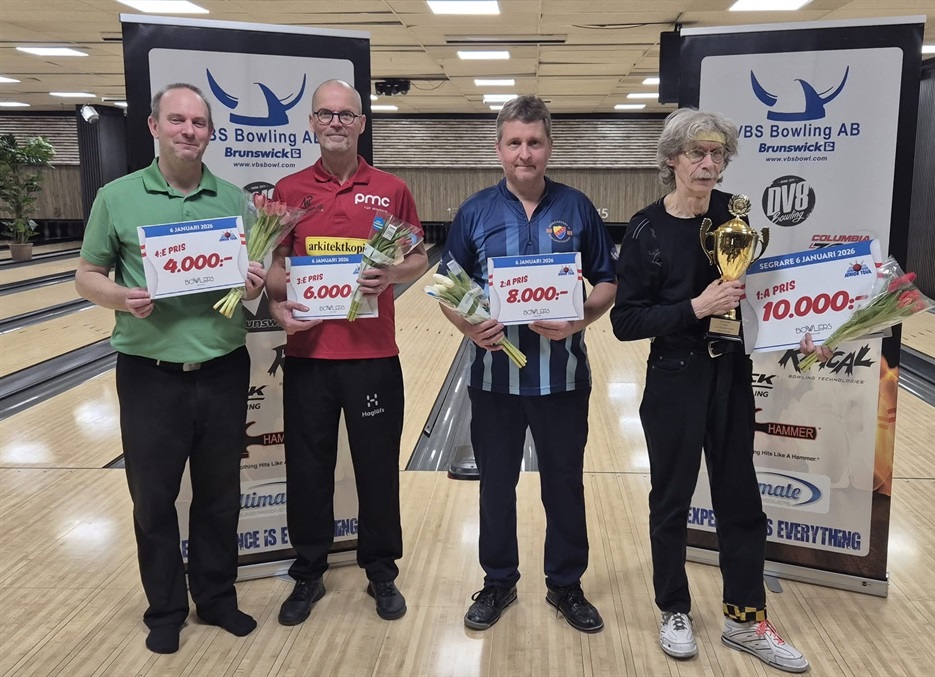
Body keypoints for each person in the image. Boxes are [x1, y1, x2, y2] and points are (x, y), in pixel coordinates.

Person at [610, 107, 810, 673]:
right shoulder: (647, 229)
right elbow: (626, 321)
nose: (708, 162)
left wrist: (804, 329)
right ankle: (674, 609)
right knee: (671, 501)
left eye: (717, 153)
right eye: (697, 152)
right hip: (675, 376)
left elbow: (760, 294)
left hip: (731, 374)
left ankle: (746, 620)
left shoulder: (735, 215)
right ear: (671, 158)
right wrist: (696, 307)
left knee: (741, 500)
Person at [75, 83, 264, 654]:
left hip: (223, 368)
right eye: (177, 120)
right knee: (153, 500)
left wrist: (252, 282)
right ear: (154, 127)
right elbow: (87, 275)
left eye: (199, 123)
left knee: (220, 495)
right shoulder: (117, 197)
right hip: (149, 375)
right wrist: (120, 296)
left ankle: (217, 598)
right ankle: (164, 608)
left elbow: (249, 284)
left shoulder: (234, 200)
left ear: (211, 133)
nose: (189, 131)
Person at [439, 95, 618, 633]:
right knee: (495, 486)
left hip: (563, 378)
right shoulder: (475, 211)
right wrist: (469, 326)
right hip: (493, 381)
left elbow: (607, 280)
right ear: (498, 149)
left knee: (563, 485)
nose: (524, 153)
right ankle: (499, 581)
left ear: (549, 147)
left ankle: (566, 584)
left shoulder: (577, 207)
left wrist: (579, 319)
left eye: (534, 142)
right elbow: (448, 286)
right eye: (514, 142)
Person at [264, 80, 427, 626]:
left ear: (361, 123)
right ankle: (308, 571)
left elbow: (418, 256)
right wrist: (279, 301)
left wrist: (392, 273)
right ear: (312, 122)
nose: (336, 122)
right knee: (307, 468)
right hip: (309, 357)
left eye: (346, 115)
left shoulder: (391, 188)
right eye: (326, 114)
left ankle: (380, 569)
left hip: (373, 356)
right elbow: (276, 266)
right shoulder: (289, 189)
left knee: (376, 468)